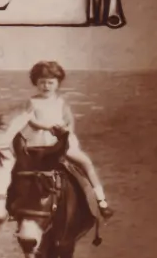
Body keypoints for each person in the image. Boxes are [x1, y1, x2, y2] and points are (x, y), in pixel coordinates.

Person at [18, 61, 113, 219]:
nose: (46, 86)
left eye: (50, 82)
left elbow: (69, 120)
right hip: (40, 143)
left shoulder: (60, 102)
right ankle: (13, 202)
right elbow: (30, 121)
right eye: (42, 82)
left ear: (57, 84)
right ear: (36, 83)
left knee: (86, 163)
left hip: (60, 142)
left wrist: (66, 131)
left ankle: (101, 200)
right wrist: (47, 127)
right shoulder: (32, 102)